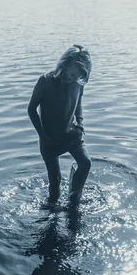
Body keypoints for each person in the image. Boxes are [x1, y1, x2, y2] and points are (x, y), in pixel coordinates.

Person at [27, 45, 92, 207]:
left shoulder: (78, 82)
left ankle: (73, 199)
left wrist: (80, 122)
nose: (73, 78)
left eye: (77, 76)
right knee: (55, 185)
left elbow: (78, 103)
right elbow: (31, 109)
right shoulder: (46, 81)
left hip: (71, 134)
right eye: (71, 74)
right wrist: (43, 136)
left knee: (85, 163)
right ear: (63, 65)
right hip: (49, 138)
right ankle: (51, 213)